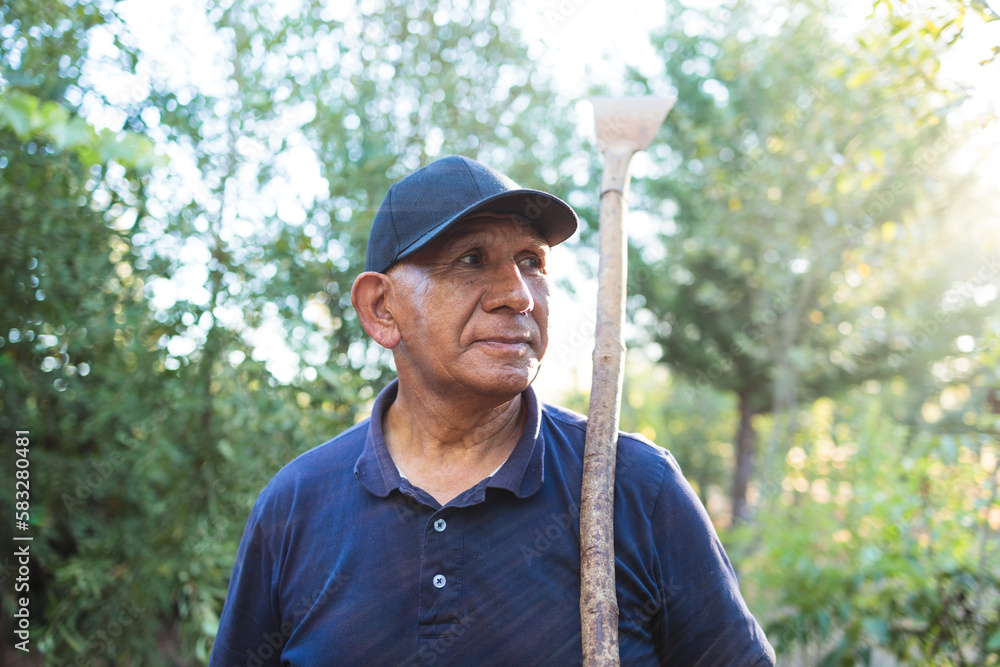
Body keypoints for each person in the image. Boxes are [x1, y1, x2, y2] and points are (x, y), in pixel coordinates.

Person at [210, 155, 775, 666]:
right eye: (471, 259)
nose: (519, 295)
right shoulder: (296, 505)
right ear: (381, 308)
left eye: (531, 261)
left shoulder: (632, 486)